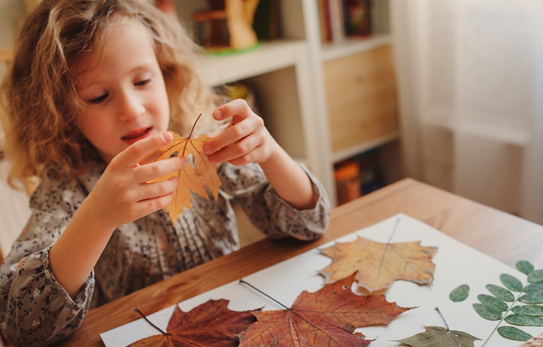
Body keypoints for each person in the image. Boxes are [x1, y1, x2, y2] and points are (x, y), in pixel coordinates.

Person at [0, 0, 330, 345]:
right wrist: (97, 217)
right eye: (98, 97)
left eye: (142, 80)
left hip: (231, 319)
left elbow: (310, 225)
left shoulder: (204, 144)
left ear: (167, 73)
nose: (132, 109)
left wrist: (271, 154)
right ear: (63, 110)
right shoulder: (67, 185)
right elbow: (21, 326)